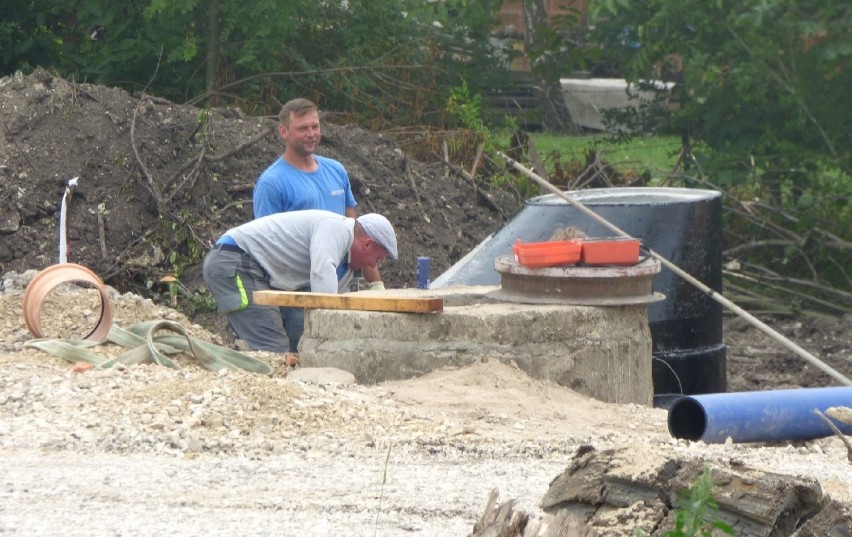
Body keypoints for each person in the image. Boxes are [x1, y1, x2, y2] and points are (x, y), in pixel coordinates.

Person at [252, 98, 385, 352]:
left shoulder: (336, 171)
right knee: (306, 363)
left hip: (342, 291)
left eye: (315, 126)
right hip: (301, 299)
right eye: (303, 128)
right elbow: (266, 248)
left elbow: (358, 233)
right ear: (283, 131)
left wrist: (376, 285)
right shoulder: (272, 183)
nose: (311, 134)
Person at [203, 210, 397, 353]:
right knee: (272, 349)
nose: (374, 265)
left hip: (253, 267)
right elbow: (322, 283)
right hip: (235, 261)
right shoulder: (335, 228)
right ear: (367, 244)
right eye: (377, 258)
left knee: (284, 347)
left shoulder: (344, 256)